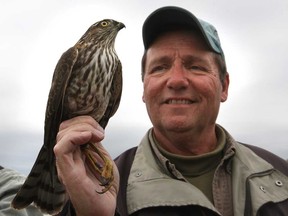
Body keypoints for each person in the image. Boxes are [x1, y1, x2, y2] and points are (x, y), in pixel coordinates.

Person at [54, 6, 288, 216]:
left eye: (195, 66)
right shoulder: (105, 182)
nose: (176, 80)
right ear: (144, 88)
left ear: (224, 87)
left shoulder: (281, 175)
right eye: (160, 67)